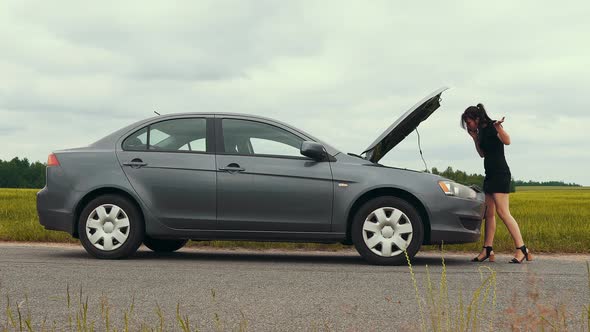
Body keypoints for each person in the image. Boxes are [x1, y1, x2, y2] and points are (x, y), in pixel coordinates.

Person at [461, 103, 532, 264]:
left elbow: (507, 141)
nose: (468, 125)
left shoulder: (493, 126)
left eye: (469, 121)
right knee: (489, 214)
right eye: (466, 123)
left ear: (477, 118)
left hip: (500, 174)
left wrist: (499, 128)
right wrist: (474, 138)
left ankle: (521, 249)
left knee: (503, 212)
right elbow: (482, 154)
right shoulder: (481, 132)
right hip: (490, 175)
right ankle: (487, 249)